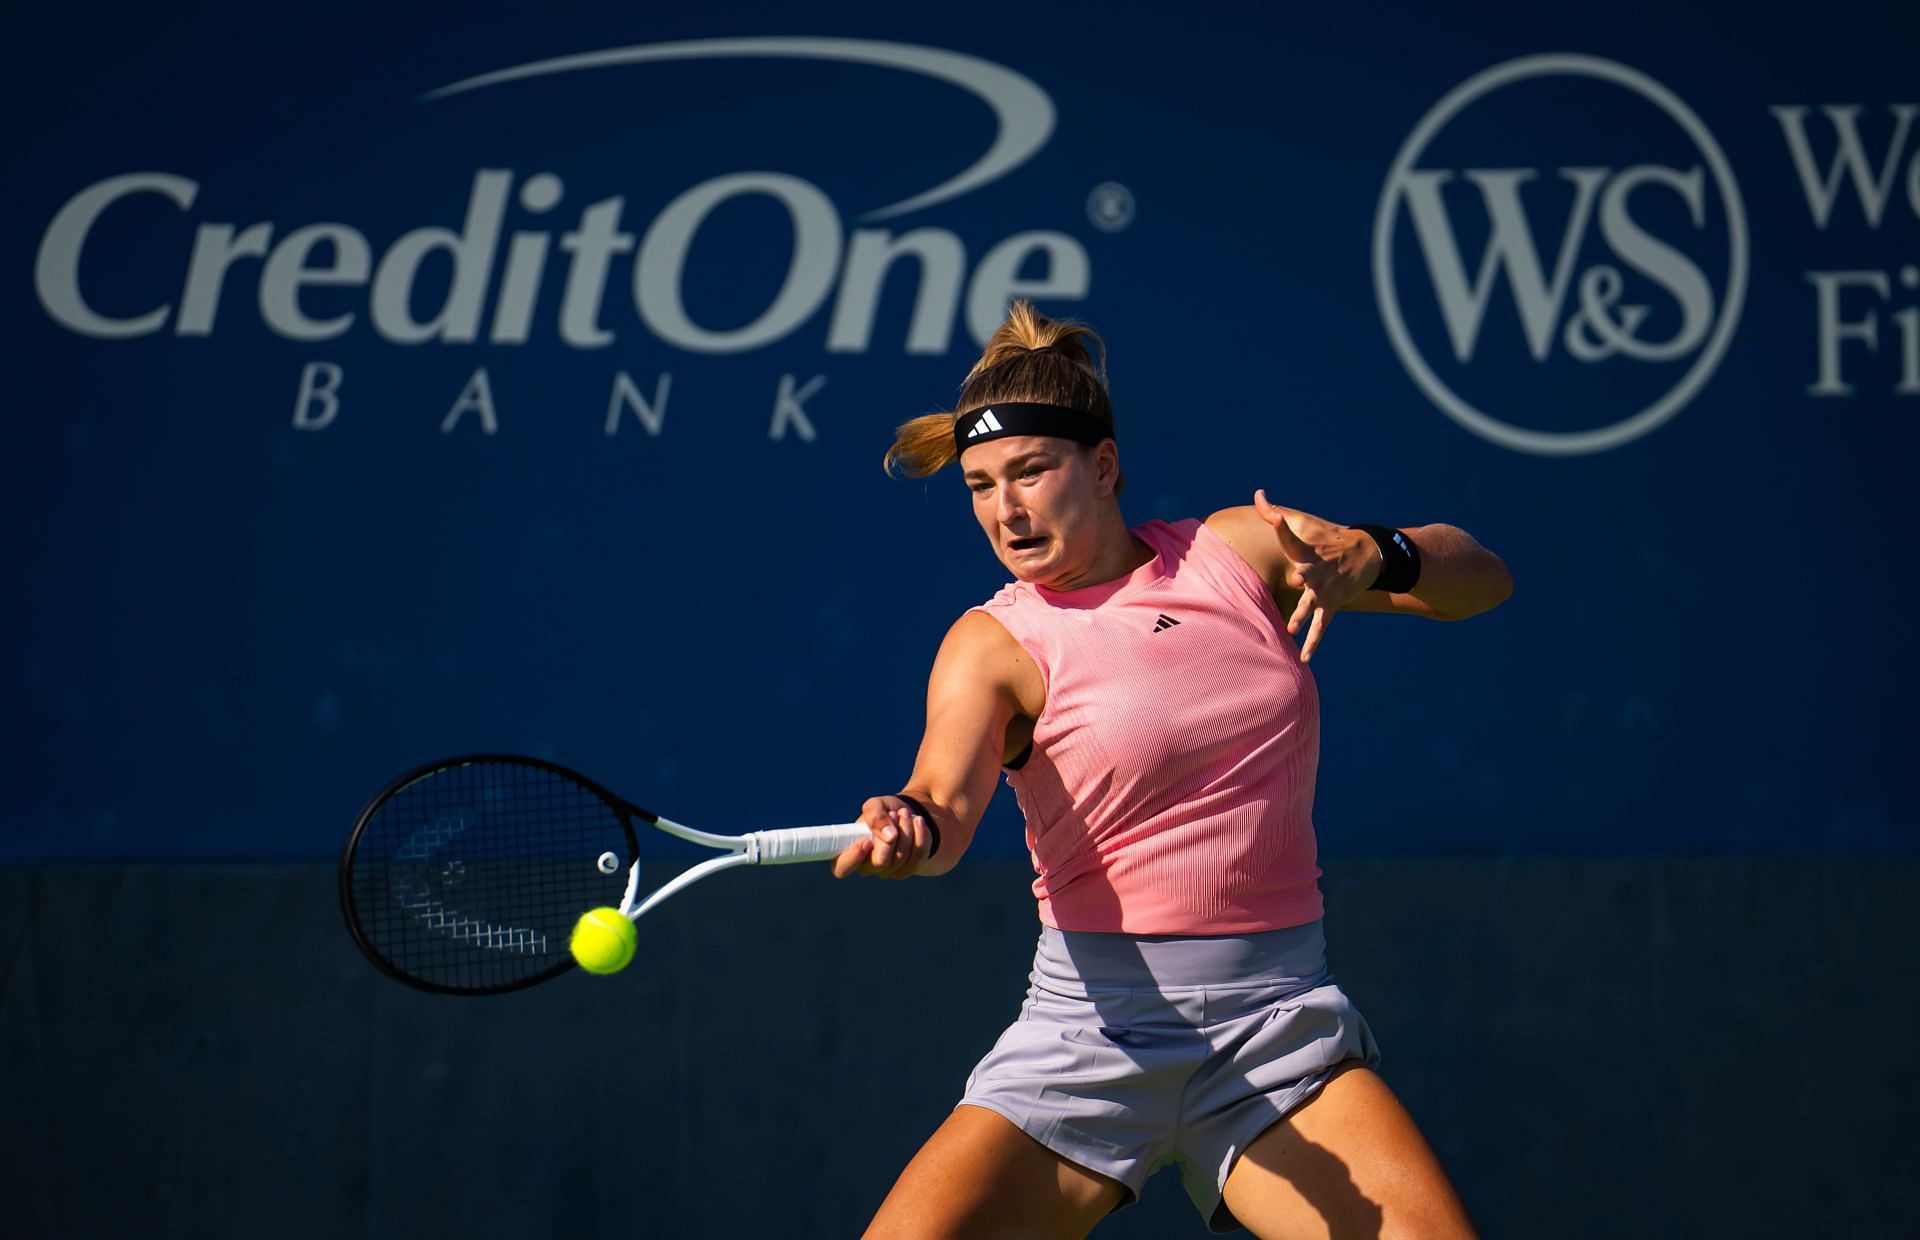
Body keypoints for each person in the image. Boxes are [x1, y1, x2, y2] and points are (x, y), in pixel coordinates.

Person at [832, 301, 1508, 1239]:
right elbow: (941, 805)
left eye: (1031, 472)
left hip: (1274, 1028)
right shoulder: (992, 644)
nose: (1006, 509)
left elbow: (1481, 581)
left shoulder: (1237, 555)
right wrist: (909, 825)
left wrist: (1378, 554)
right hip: (1088, 1034)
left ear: (1102, 467)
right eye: (982, 486)